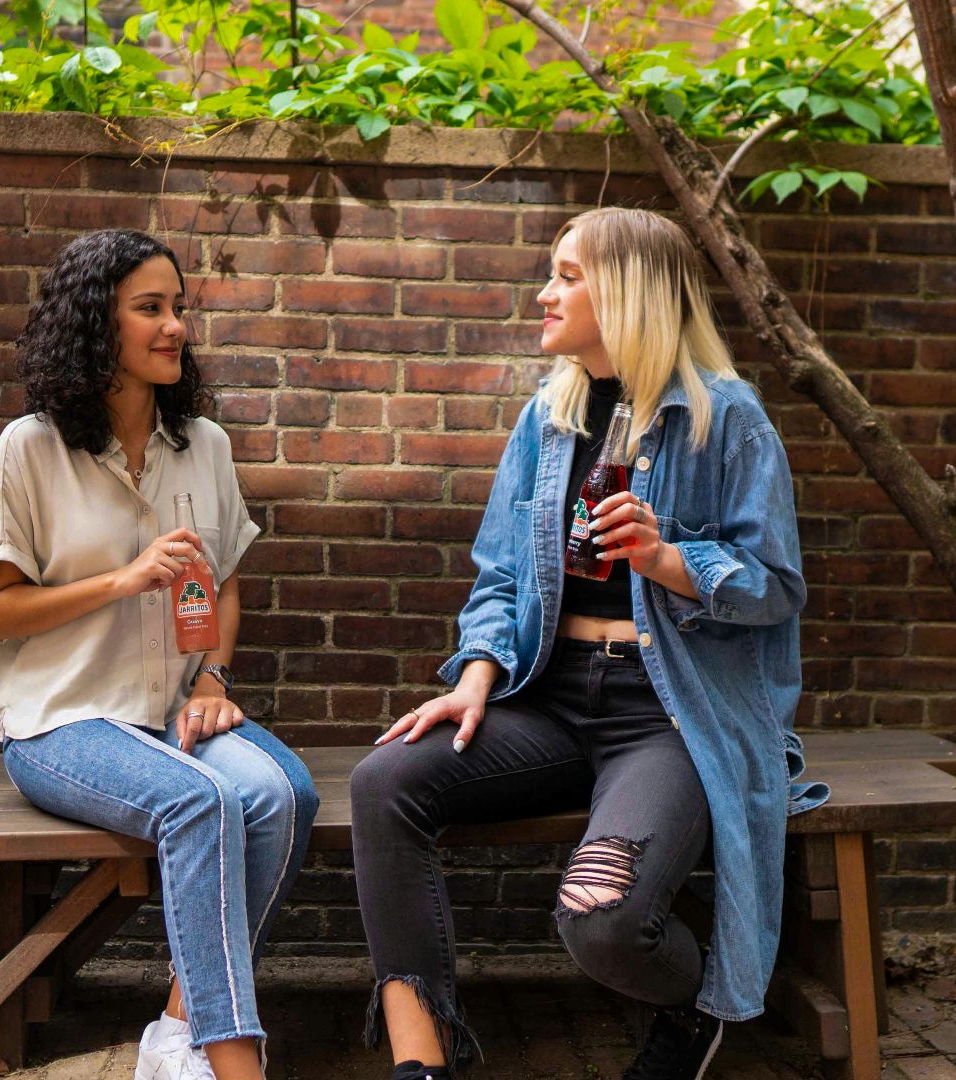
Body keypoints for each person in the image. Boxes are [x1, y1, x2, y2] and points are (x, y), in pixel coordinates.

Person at [349, 207, 827, 1080]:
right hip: (550, 695)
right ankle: (420, 1058)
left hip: (670, 713)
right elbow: (500, 574)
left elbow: (777, 586)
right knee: (385, 781)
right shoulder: (550, 416)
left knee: (603, 919)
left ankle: (695, 1005)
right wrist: (477, 678)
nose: (546, 292)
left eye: (568, 275)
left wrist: (670, 558)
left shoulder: (730, 420)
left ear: (629, 291)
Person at [0, 229, 318, 1080]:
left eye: (179, 308)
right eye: (150, 309)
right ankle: (238, 1065)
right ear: (97, 323)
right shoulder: (31, 448)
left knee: (282, 793)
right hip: (61, 721)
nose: (176, 328)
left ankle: (178, 1022)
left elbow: (223, 579)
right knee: (203, 803)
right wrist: (122, 582)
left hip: (171, 711)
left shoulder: (205, 445)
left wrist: (212, 678)